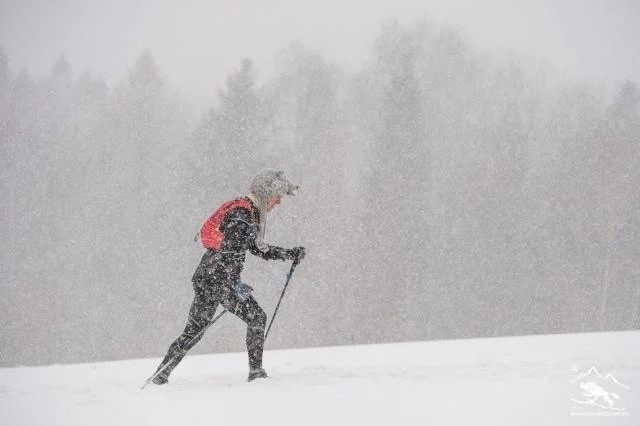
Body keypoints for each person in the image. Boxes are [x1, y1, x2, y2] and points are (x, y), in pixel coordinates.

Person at [151, 170, 306, 384]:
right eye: (277, 195)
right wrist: (234, 285)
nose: (279, 201)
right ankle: (256, 373)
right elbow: (229, 253)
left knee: (194, 330)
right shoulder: (243, 216)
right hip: (217, 278)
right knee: (256, 317)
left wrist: (288, 254)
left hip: (207, 277)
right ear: (265, 194)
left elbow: (255, 248)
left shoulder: (246, 213)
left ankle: (160, 375)